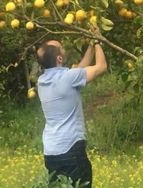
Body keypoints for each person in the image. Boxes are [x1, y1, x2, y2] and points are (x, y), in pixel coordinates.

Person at [35, 39, 108, 187]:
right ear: (59, 58)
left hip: (51, 152)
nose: (63, 48)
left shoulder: (42, 81)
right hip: (71, 149)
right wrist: (99, 41)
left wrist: (91, 45)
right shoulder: (69, 78)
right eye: (61, 48)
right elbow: (101, 67)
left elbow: (80, 69)